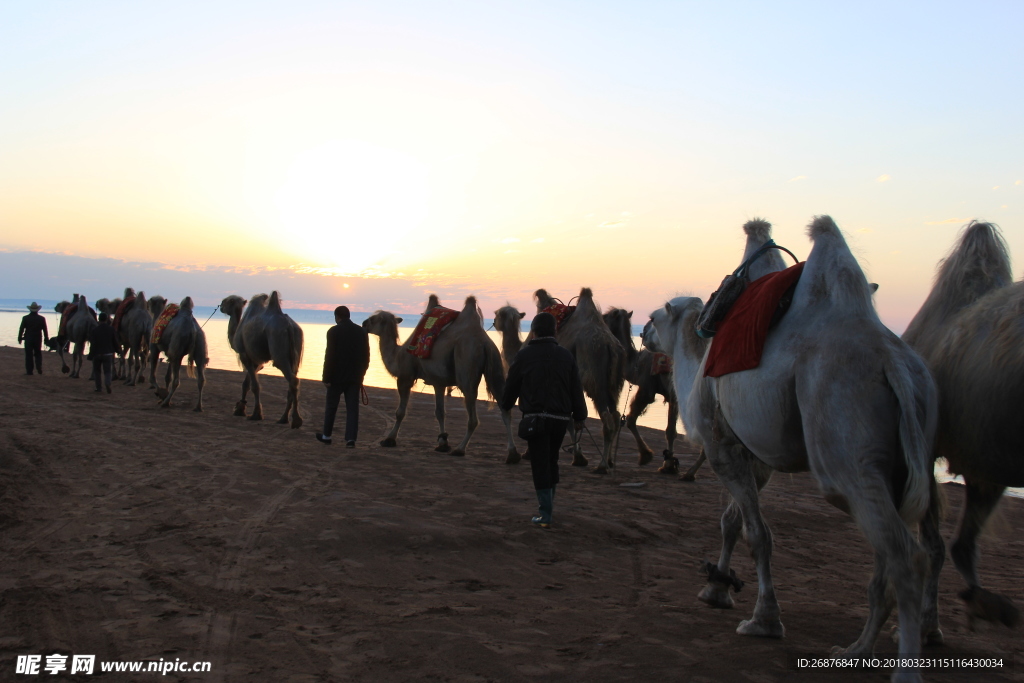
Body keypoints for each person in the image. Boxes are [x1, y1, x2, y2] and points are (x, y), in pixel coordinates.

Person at [501, 312, 587, 529]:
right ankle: (549, 508)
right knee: (552, 460)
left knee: (540, 463)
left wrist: (506, 403)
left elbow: (512, 385)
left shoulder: (524, 355)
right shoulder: (566, 356)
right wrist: (580, 416)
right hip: (560, 420)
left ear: (535, 331)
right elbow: (576, 388)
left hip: (536, 419)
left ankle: (545, 514)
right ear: (555, 331)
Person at [316, 306, 370, 447]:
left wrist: (326, 377)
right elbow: (366, 356)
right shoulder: (361, 332)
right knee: (352, 409)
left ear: (337, 317)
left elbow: (330, 355)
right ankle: (351, 439)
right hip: (354, 377)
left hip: (336, 377)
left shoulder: (333, 331)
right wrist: (362, 374)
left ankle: (327, 435)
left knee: (331, 407)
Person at [87, 313, 120, 393]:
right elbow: (115, 342)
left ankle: (99, 388)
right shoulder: (111, 329)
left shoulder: (95, 330)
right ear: (106, 320)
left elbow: (93, 344)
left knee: (97, 371)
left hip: (97, 354)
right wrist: (119, 351)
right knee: (108, 371)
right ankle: (107, 383)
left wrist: (91, 355)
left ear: (99, 319)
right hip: (108, 354)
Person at [18, 302, 50, 375]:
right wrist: (46, 339)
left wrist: (19, 338)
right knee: (38, 353)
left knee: (29, 355)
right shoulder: (42, 319)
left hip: (28, 338)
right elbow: (45, 330)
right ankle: (39, 367)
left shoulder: (25, 318)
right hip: (38, 338)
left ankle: (29, 371)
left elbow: (21, 329)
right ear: (37, 310)